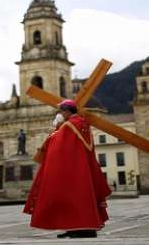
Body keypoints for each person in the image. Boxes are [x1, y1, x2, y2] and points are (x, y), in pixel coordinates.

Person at [23, 99, 111, 238]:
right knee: (80, 198)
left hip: (71, 170)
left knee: (74, 199)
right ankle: (75, 227)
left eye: (60, 111)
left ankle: (81, 228)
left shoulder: (69, 125)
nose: (59, 113)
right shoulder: (83, 123)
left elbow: (56, 144)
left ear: (66, 111)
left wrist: (58, 126)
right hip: (82, 170)